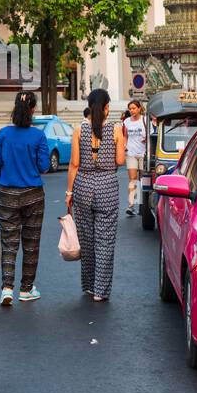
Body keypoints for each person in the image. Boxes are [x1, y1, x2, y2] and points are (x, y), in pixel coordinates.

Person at [0, 91, 51, 306]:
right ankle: (26, 289)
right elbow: (43, 167)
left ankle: (6, 289)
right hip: (33, 195)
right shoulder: (38, 136)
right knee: (31, 244)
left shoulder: (3, 134)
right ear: (33, 109)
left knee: (9, 243)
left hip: (5, 195)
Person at [66, 88, 125, 302]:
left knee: (87, 239)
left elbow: (74, 164)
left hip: (83, 186)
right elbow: (120, 161)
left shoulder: (78, 130)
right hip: (107, 187)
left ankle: (89, 286)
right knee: (105, 241)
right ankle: (101, 290)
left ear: (90, 107)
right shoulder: (116, 130)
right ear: (107, 107)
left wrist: (69, 192)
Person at [122, 99, 147, 216]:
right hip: (131, 153)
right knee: (133, 180)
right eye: (130, 109)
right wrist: (124, 146)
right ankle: (131, 205)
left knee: (143, 181)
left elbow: (151, 134)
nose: (132, 111)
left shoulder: (145, 120)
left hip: (143, 154)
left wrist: (146, 139)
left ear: (139, 108)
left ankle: (143, 205)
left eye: (134, 108)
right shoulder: (126, 121)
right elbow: (124, 136)